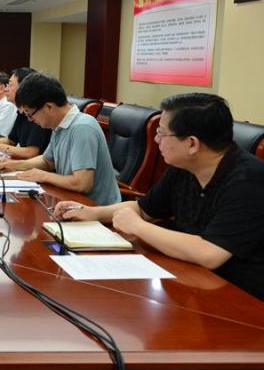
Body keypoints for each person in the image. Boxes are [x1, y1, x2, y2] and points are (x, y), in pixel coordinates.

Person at [55, 93, 264, 300]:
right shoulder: (184, 166)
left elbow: (209, 254)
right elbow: (144, 209)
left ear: (192, 144)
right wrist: (92, 213)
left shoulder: (248, 180)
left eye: (162, 133)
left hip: (240, 296)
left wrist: (137, 226)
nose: (156, 140)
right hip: (190, 276)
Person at [0, 72, 120, 205]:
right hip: (69, 201)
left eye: (30, 114)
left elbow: (82, 183)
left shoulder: (82, 128)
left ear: (49, 107)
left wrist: (44, 176)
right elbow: (47, 161)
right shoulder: (58, 125)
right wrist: (14, 165)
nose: (31, 120)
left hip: (95, 209)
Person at [0, 67, 51, 159]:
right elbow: (11, 141)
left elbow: (31, 152)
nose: (6, 89)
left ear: (24, 88)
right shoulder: (21, 112)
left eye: (10, 85)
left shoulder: (37, 112)